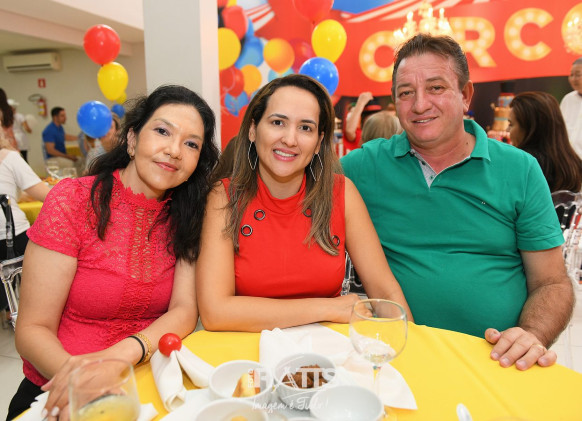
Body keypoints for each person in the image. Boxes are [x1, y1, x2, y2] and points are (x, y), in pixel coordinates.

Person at [341, 34, 574, 371]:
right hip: (399, 359)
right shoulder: (364, 166)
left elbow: (551, 282)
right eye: (406, 93)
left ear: (465, 95)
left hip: (496, 362)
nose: (420, 104)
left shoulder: (519, 169)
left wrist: (531, 334)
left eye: (436, 88)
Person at [8, 85, 220, 420]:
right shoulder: (73, 200)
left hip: (147, 377)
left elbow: (183, 310)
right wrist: (83, 380)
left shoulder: (188, 214)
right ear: (132, 139)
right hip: (59, 383)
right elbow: (32, 329)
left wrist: (121, 356)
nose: (174, 150)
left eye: (191, 144)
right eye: (162, 131)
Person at [196, 74, 412, 333]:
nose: (290, 139)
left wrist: (409, 345)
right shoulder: (224, 197)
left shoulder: (341, 193)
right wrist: (328, 308)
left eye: (306, 128)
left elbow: (385, 291)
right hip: (248, 351)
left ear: (319, 142)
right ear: (253, 129)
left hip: (330, 350)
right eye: (278, 122)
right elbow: (215, 312)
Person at [508, 91, 582, 192]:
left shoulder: (524, 164)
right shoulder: (573, 163)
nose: (507, 130)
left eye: (511, 124)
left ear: (529, 128)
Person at [560, 58, 582, 158]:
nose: (573, 79)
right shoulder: (568, 99)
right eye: (571, 75)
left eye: (578, 75)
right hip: (567, 160)